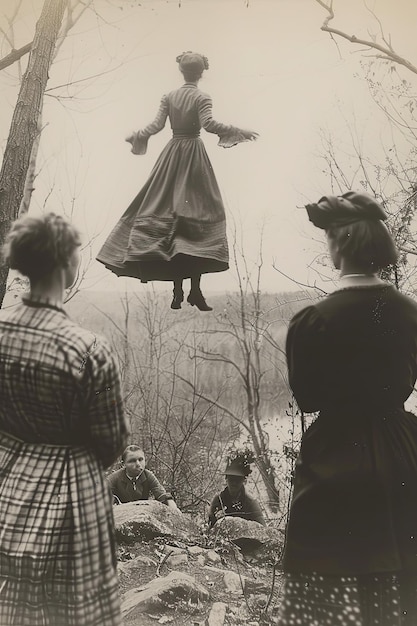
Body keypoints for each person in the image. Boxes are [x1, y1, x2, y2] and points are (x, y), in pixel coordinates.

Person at [278, 191, 417, 626]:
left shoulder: (314, 320)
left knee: (329, 575)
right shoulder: (409, 312)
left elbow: (308, 397)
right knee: (401, 574)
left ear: (336, 246)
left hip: (336, 455)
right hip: (401, 452)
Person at [0, 213, 129, 626]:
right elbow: (111, 444)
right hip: (71, 495)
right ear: (66, 264)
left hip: (6, 484)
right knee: (72, 609)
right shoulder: (90, 350)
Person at [96, 51, 258, 311]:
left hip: (171, 156)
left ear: (181, 71)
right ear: (201, 73)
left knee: (172, 218)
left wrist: (137, 135)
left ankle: (179, 292)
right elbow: (208, 124)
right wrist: (237, 131)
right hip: (193, 157)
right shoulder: (202, 96)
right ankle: (194, 291)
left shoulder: (169, 96)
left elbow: (156, 126)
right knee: (194, 221)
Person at [108, 444, 180, 511]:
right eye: (132, 461)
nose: (138, 464)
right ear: (123, 464)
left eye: (140, 459)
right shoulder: (114, 478)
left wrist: (175, 510)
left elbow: (162, 495)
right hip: (122, 514)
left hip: (143, 514)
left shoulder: (147, 475)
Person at [208, 451, 265, 527]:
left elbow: (262, 528)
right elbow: (210, 526)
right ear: (226, 479)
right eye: (231, 479)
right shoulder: (218, 499)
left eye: (238, 480)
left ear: (243, 481)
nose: (234, 483)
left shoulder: (251, 502)